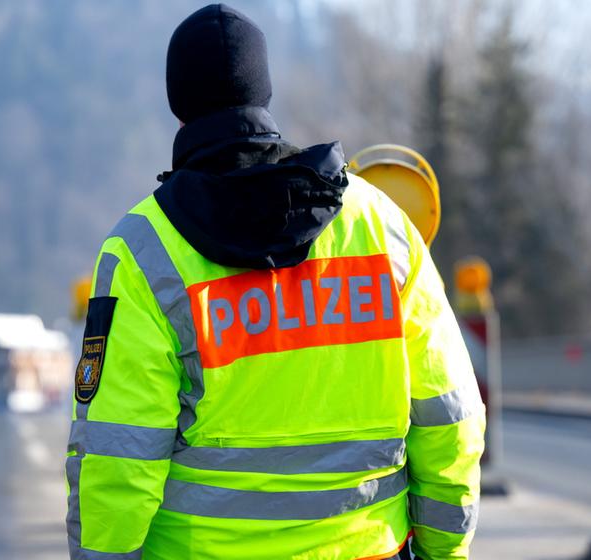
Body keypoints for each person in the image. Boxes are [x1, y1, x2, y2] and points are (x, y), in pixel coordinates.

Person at [66, 4, 484, 559]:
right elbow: (448, 418)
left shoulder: (144, 251)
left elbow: (117, 463)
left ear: (178, 102)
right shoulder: (380, 228)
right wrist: (443, 552)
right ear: (264, 90)